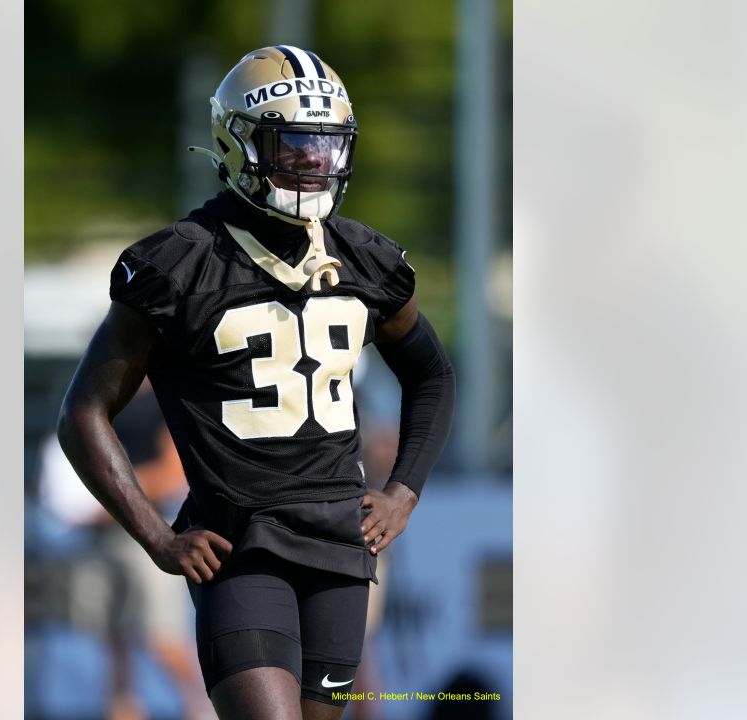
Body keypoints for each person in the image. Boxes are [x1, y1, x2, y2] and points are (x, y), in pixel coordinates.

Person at [58, 45, 455, 720]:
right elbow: (84, 414)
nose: (310, 161)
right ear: (237, 144)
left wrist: (402, 493)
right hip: (241, 548)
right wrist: (157, 536)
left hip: (339, 548)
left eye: (324, 145)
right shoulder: (179, 265)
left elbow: (433, 373)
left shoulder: (364, 257)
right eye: (292, 143)